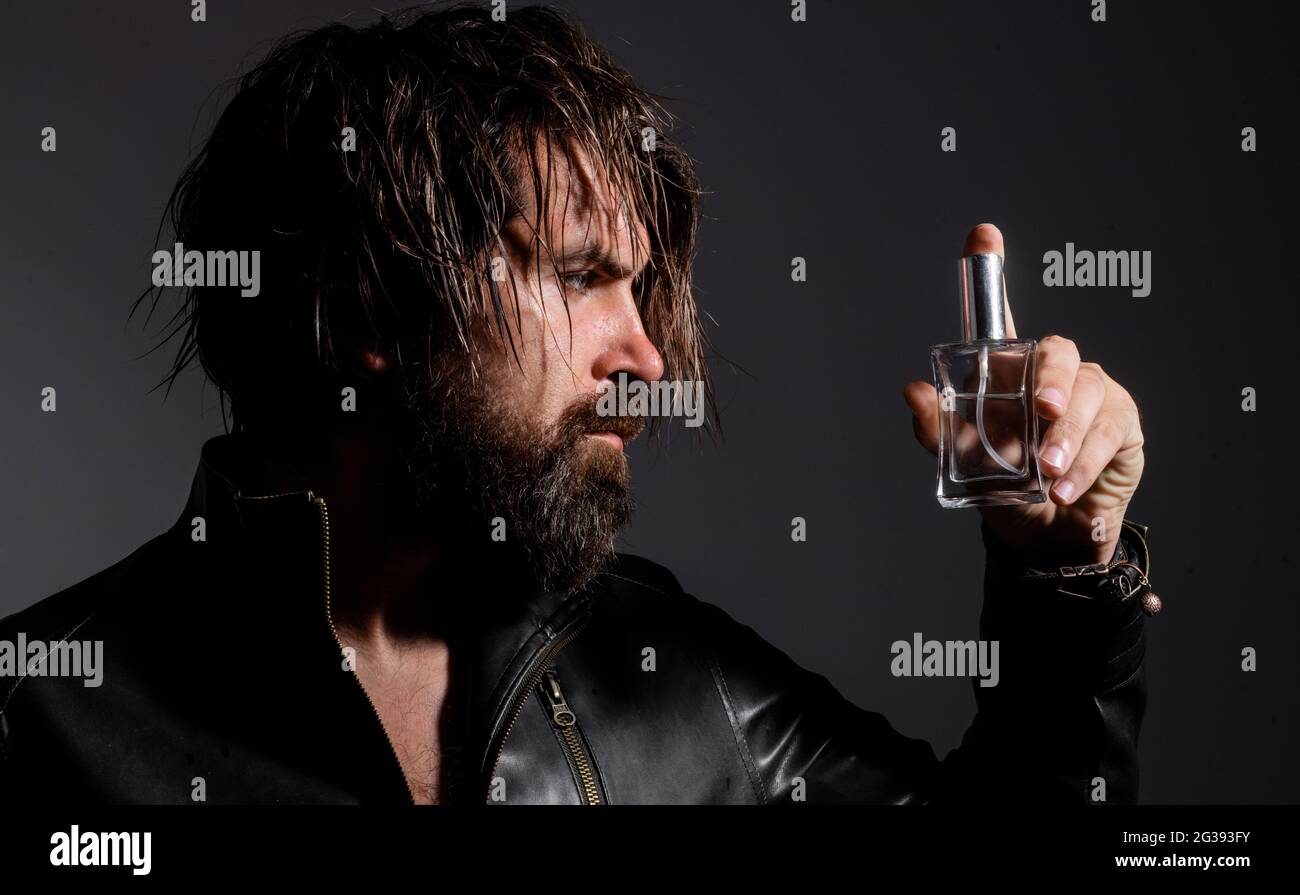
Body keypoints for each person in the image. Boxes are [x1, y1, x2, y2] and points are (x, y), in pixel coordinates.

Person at [0, 3, 1150, 805]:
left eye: (639, 286)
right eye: (576, 274)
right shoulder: (40, 719)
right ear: (367, 307)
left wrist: (1062, 578)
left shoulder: (679, 678)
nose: (646, 352)